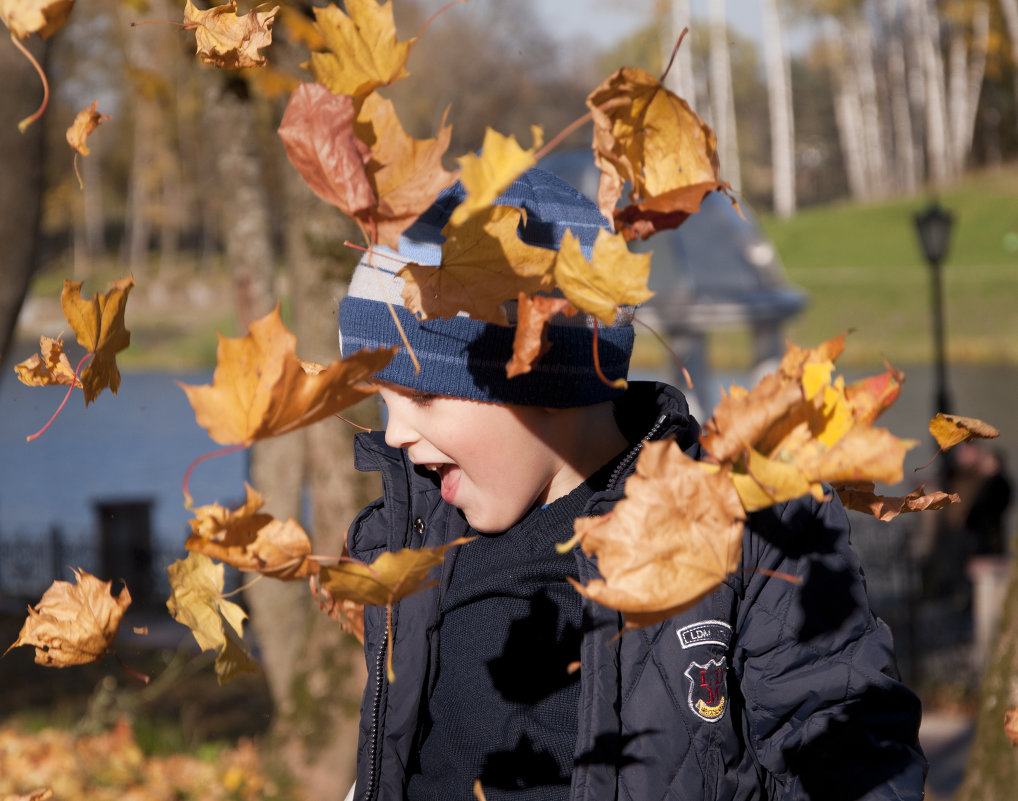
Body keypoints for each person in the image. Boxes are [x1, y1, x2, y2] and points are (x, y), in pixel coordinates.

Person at [334, 168, 927, 801]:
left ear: (547, 379)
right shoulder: (417, 544)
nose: (393, 436)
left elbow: (851, 753)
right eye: (382, 402)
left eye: (423, 396)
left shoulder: (748, 530)